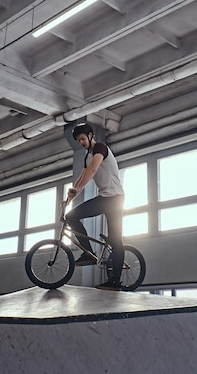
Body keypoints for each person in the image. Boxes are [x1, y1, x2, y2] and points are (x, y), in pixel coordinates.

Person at [65, 123, 125, 291]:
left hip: (115, 199)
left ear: (90, 135)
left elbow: (92, 171)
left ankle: (115, 282)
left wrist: (76, 190)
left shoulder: (100, 148)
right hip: (104, 197)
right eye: (78, 141)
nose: (81, 142)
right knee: (71, 216)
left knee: (116, 240)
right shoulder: (88, 155)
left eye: (83, 139)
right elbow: (82, 176)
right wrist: (69, 198)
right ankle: (88, 254)